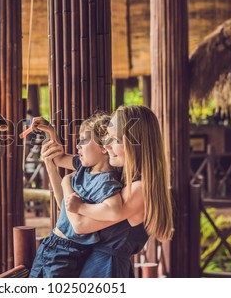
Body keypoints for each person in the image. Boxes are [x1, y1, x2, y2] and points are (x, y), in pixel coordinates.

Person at [62, 105, 174, 277]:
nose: (106, 145)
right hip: (95, 267)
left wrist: (65, 182)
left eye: (115, 139)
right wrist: (51, 163)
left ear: (137, 142)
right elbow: (69, 215)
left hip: (107, 270)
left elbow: (80, 225)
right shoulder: (121, 179)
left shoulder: (139, 189)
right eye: (107, 136)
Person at [28, 112, 124, 278]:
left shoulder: (106, 182)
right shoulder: (84, 167)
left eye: (84, 140)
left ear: (103, 147)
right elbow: (57, 159)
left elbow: (114, 208)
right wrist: (50, 131)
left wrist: (80, 206)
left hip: (67, 252)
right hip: (52, 243)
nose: (78, 145)